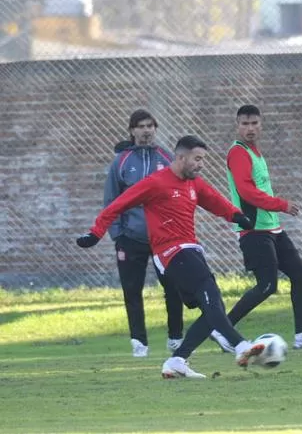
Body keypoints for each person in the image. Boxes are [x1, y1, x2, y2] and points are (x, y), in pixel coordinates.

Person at [77, 135, 266, 379]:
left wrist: (237, 216)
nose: (201, 164)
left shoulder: (194, 184)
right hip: (171, 252)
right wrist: (96, 233)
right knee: (209, 292)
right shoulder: (155, 183)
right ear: (180, 157)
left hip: (190, 249)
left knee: (213, 307)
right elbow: (117, 205)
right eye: (197, 159)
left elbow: (215, 201)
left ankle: (177, 360)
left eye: (203, 160)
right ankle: (240, 346)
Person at [208, 105, 302, 353]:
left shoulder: (255, 152)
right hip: (253, 230)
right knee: (267, 285)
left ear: (261, 125)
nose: (250, 128)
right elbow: (247, 192)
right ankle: (223, 329)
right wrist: (281, 204)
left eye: (254, 123)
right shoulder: (238, 153)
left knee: (298, 274)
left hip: (272, 228)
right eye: (245, 124)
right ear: (237, 125)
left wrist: (276, 212)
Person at [103, 109, 183, 357]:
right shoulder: (121, 161)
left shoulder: (166, 158)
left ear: (155, 129)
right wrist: (118, 235)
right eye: (141, 126)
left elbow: (176, 196)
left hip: (163, 239)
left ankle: (175, 337)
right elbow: (111, 200)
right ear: (132, 130)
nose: (146, 130)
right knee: (132, 289)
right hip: (131, 238)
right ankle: (139, 342)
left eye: (150, 125)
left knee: (173, 287)